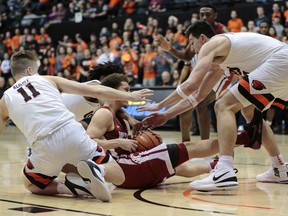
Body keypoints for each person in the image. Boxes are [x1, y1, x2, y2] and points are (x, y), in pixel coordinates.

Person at [139, 21, 288, 191]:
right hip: (282, 64)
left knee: (223, 106)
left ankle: (224, 169)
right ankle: (280, 168)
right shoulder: (222, 60)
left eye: (192, 42)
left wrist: (160, 105)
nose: (192, 48)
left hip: (280, 61)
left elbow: (191, 85)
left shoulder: (212, 44)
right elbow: (198, 96)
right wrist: (166, 115)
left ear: (202, 38)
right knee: (250, 111)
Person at [0, 50, 153, 201]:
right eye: (37, 70)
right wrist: (130, 96)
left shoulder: (4, 100)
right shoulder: (47, 79)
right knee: (118, 176)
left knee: (32, 184)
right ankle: (98, 170)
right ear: (29, 70)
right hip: (71, 132)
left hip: (43, 144)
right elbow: (97, 91)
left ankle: (75, 188)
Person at [84, 73, 220, 189]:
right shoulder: (104, 113)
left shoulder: (123, 118)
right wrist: (118, 142)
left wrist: (148, 138)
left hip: (131, 166)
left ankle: (215, 165)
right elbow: (88, 142)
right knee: (183, 148)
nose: (130, 93)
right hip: (123, 169)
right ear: (114, 92)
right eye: (126, 90)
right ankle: (237, 139)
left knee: (178, 166)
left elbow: (128, 145)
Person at [155, 4, 228, 141]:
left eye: (208, 14)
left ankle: (205, 143)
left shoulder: (222, 31)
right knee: (184, 108)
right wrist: (170, 49)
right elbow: (187, 56)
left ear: (215, 15)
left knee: (200, 102)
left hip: (222, 73)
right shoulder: (197, 33)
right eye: (202, 15)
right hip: (203, 73)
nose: (205, 17)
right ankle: (185, 144)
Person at [62, 62, 142, 134]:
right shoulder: (93, 85)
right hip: (50, 114)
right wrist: (129, 118)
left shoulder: (102, 106)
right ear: (103, 78)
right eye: (116, 80)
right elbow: (106, 99)